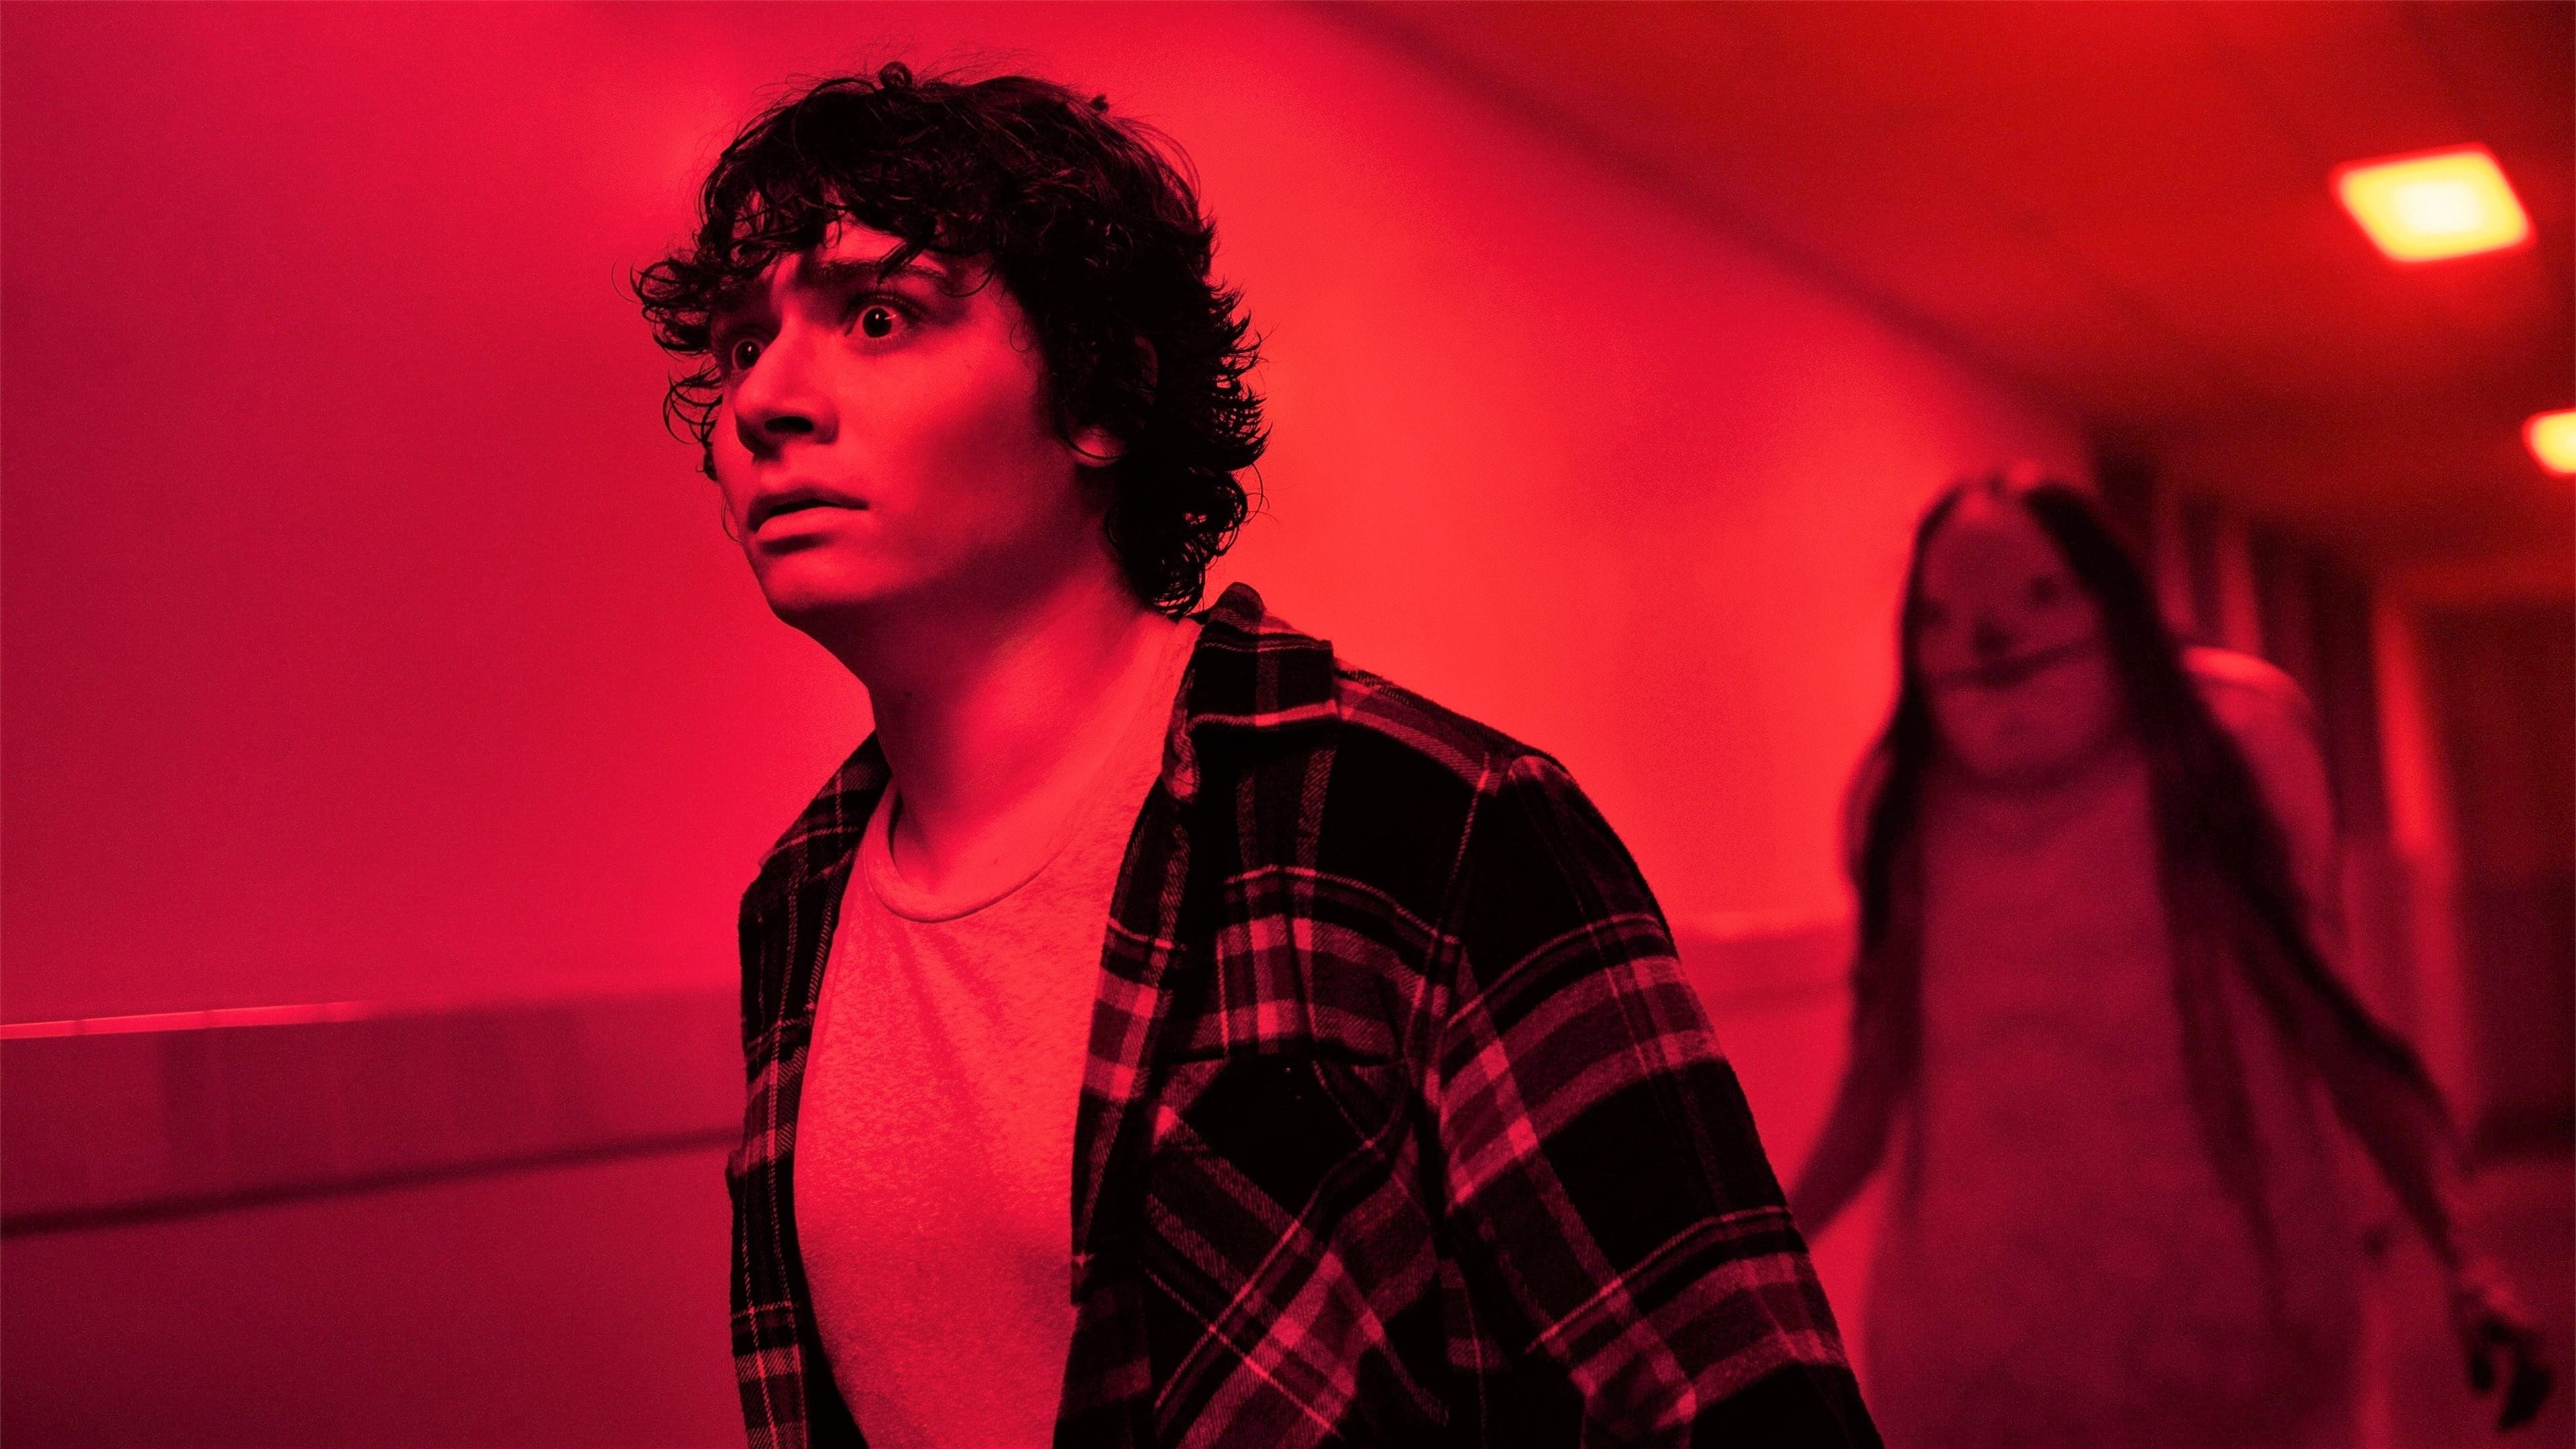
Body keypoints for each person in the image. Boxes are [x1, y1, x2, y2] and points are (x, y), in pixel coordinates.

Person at [635, 64, 1876, 1448]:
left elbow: (1745, 1404)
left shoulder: (1430, 825)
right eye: (741, 345)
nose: (766, 401)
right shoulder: (803, 898)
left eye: (880, 316)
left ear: (1101, 396)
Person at [1790, 470, 2551, 1448]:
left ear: (2111, 604)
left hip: (2235, 1349)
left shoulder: (2220, 761)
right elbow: (1874, 1083)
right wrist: (1753, 1265)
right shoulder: (1906, 811)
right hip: (1974, 1360)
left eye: (2042, 595)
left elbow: (2335, 1029)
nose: (1990, 642)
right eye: (1942, 616)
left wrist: (2465, 1258)